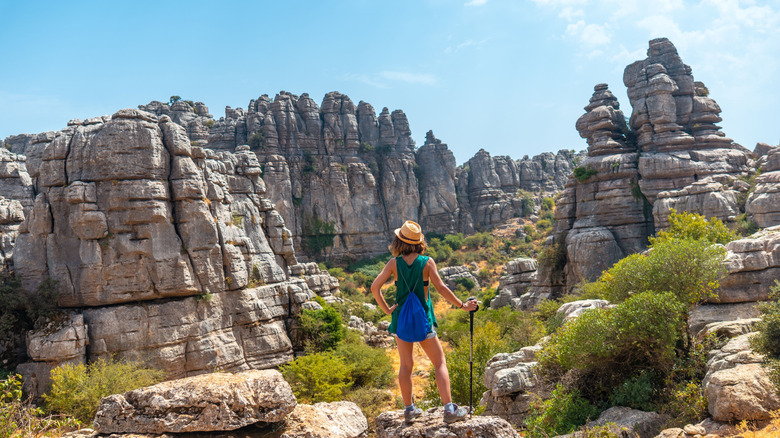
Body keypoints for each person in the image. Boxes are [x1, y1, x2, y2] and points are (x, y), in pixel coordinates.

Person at [370, 220, 478, 424]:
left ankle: (409, 410)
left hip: (401, 320)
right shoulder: (427, 262)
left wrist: (387, 310)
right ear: (419, 242)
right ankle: (449, 410)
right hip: (423, 321)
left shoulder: (394, 263)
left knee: (406, 365)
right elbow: (442, 288)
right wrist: (463, 305)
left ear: (399, 241)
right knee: (439, 363)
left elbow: (375, 287)